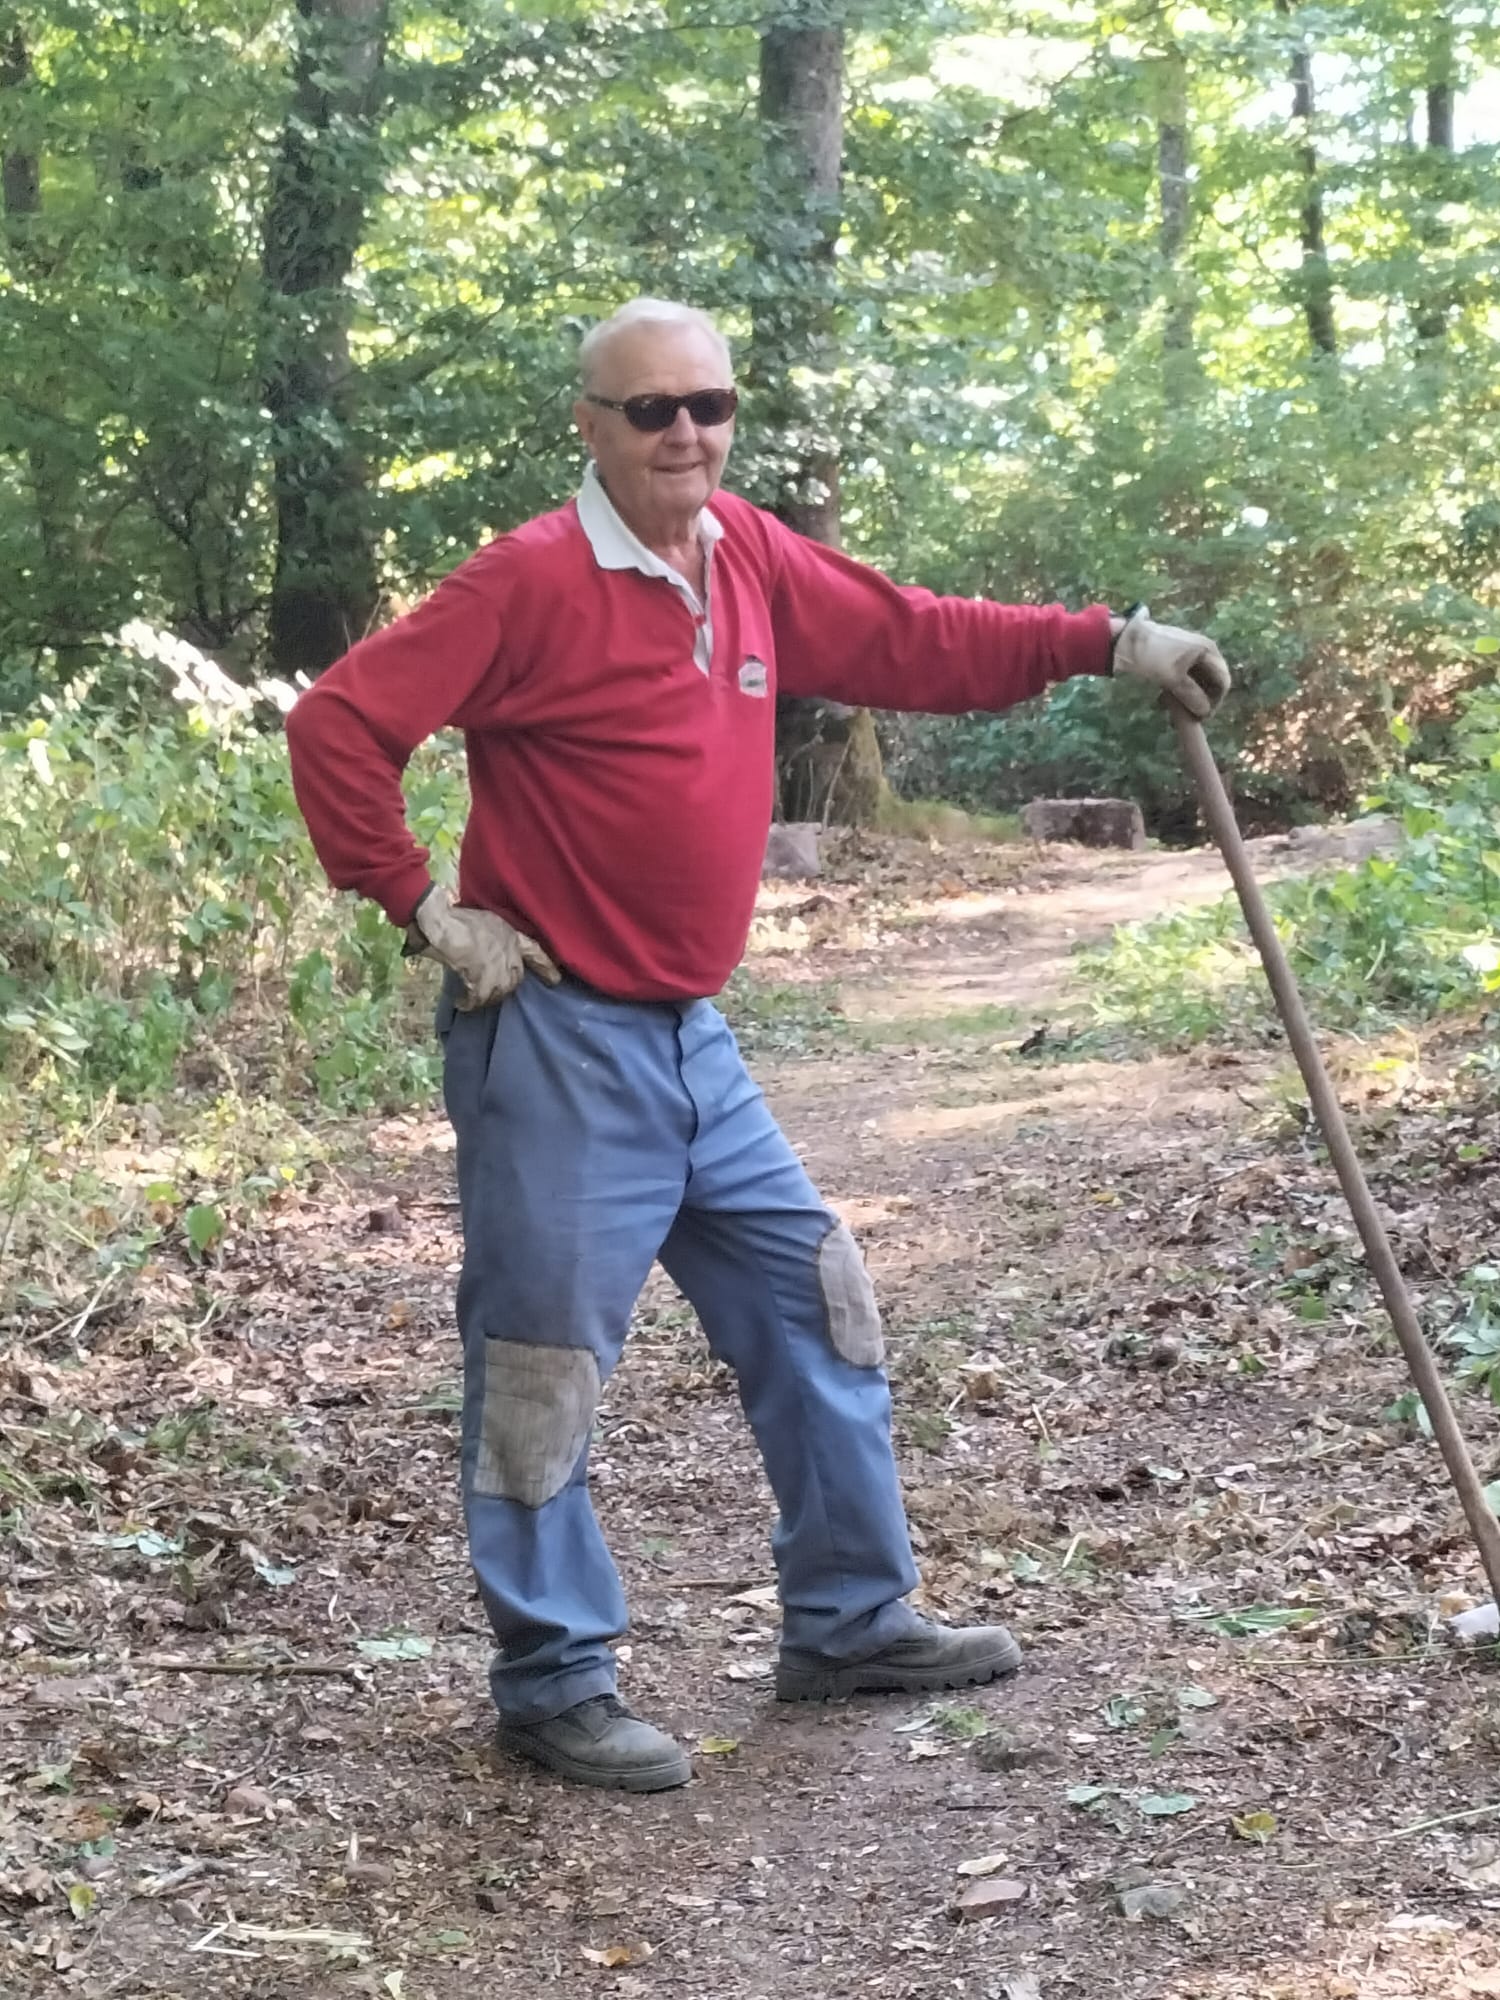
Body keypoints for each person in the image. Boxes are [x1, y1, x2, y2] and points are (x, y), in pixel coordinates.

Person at [285, 298, 1229, 1794]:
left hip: (690, 1039)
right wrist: (422, 902)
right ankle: (553, 1679)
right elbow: (339, 725)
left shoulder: (748, 558)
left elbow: (912, 635)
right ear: (592, 425)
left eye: (708, 406)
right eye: (650, 409)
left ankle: (850, 1620)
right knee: (540, 1369)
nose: (686, 434)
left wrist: (1110, 642)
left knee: (815, 1301)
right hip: (555, 1042)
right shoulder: (529, 579)